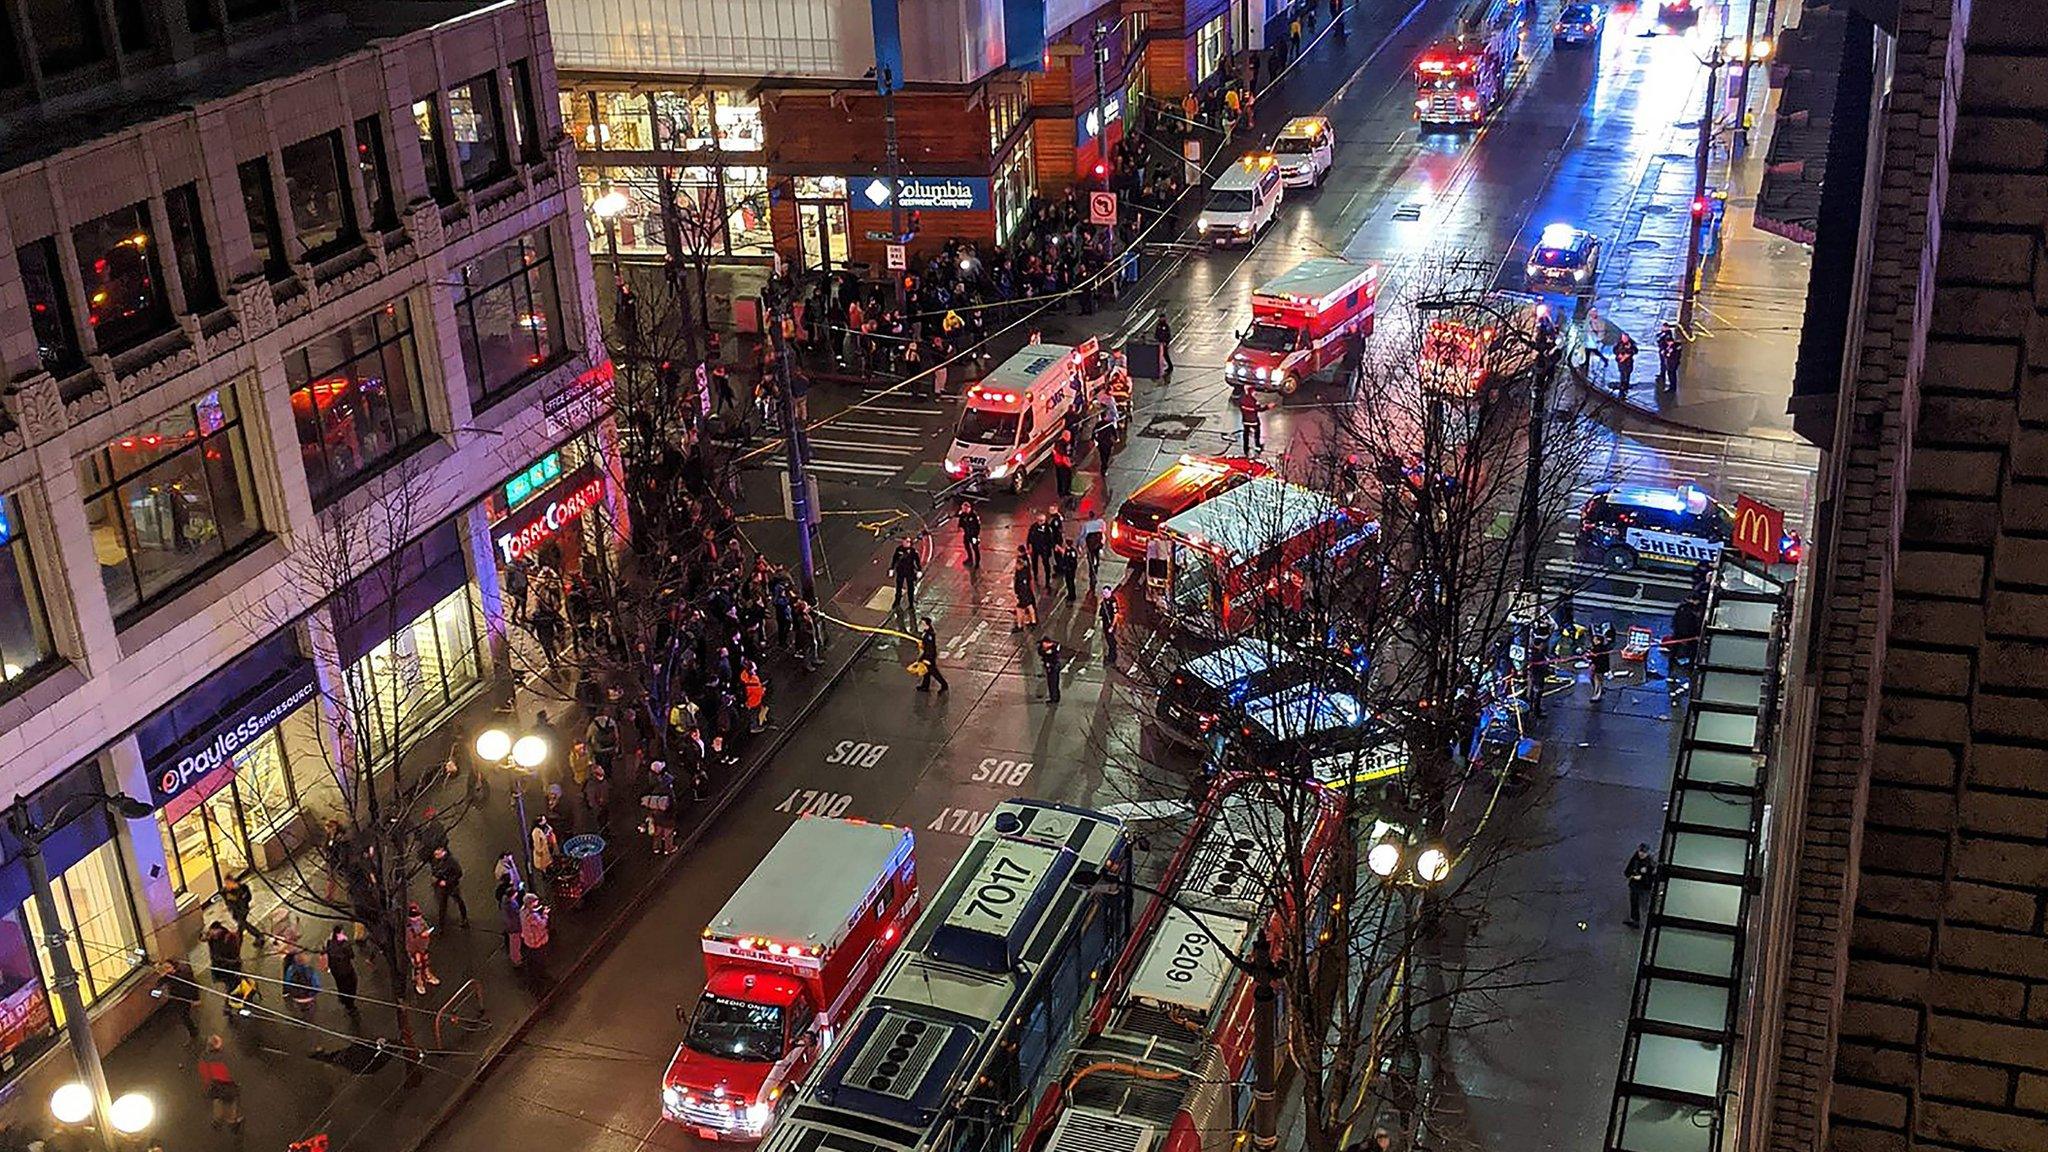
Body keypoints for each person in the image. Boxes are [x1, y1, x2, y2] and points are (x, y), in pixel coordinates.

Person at [197, 1035, 243, 1131]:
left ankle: (217, 1120)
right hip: (228, 1086)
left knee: (218, 1102)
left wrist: (208, 1086)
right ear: (218, 1046)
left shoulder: (204, 1057)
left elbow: (205, 1075)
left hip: (215, 1086)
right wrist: (237, 1083)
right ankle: (232, 1122)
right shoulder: (225, 1057)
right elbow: (232, 1073)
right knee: (231, 1104)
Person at [324, 923, 362, 1028]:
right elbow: (351, 955)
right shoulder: (344, 944)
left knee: (341, 984)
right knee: (351, 984)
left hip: (335, 970)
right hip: (346, 969)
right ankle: (350, 1003)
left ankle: (344, 998)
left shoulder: (329, 942)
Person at [155, 957, 202, 1038]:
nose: (166, 969)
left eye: (168, 967)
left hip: (186, 996)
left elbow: (194, 986)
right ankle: (193, 1031)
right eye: (165, 967)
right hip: (177, 997)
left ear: (173, 967)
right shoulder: (168, 976)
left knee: (184, 1015)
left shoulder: (182, 975)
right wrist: (162, 975)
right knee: (183, 1015)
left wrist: (196, 999)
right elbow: (159, 983)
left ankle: (194, 1032)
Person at [203, 921, 243, 1001]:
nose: (212, 935)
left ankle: (236, 999)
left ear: (219, 929)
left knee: (232, 984)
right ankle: (229, 997)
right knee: (222, 984)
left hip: (229, 965)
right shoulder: (212, 938)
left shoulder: (229, 937)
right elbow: (202, 938)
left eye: (213, 932)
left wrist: (230, 961)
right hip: (218, 965)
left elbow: (234, 952)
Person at [430, 846, 469, 927]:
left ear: (442, 852)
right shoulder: (437, 861)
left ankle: (464, 919)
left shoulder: (451, 861)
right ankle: (441, 924)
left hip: (452, 886)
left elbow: (458, 873)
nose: (435, 856)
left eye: (437, 854)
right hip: (443, 887)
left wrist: (447, 882)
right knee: (442, 905)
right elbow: (435, 871)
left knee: (458, 900)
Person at [405, 903, 438, 994]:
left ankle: (427, 975)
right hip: (414, 949)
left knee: (426, 961)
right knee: (417, 965)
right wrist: (421, 936)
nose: (417, 918)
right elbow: (410, 940)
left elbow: (426, 928)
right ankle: (418, 981)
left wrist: (426, 934)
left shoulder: (422, 922)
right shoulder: (407, 926)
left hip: (423, 946)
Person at [221, 875, 261, 947]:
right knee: (242, 926)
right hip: (235, 911)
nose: (227, 885)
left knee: (242, 925)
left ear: (232, 882)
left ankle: (257, 936)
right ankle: (257, 936)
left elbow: (248, 897)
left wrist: (243, 905)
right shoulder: (225, 892)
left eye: (228, 883)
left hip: (242, 910)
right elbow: (227, 901)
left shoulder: (242, 888)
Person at [282, 949, 321, 1022]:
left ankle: (301, 1017)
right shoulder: (310, 971)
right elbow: (317, 986)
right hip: (309, 997)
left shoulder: (291, 969)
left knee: (299, 1007)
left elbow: (287, 983)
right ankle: (308, 1019)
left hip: (296, 997)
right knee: (310, 1009)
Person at [1625, 844, 1658, 927]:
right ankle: (1636, 921)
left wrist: (1643, 876)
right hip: (1635, 885)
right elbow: (1627, 871)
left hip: (1644, 887)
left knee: (1644, 904)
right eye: (1640, 851)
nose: (1641, 854)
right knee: (1634, 902)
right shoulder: (1635, 858)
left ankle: (1647, 921)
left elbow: (1651, 879)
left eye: (1644, 852)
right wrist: (1632, 876)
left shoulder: (1650, 863)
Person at [520, 892, 552, 977]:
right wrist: (545, 914)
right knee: (540, 957)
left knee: (533, 956)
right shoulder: (532, 916)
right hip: (537, 940)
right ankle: (541, 973)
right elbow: (542, 924)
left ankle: (534, 970)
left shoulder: (522, 911)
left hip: (528, 939)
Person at [917, 617, 951, 694]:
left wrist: (927, 659)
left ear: (927, 625)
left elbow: (930, 648)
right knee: (926, 672)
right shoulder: (926, 632)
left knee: (934, 672)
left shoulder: (930, 635)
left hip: (929, 656)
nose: (921, 625)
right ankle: (925, 686)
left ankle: (944, 685)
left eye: (922, 623)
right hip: (926, 655)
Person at [890, 538, 922, 614]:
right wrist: (891, 568)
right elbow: (894, 559)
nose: (905, 543)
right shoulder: (899, 549)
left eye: (907, 542)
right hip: (900, 571)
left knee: (910, 588)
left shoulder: (913, 551)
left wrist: (919, 570)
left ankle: (911, 604)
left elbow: (917, 561)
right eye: (904, 541)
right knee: (899, 588)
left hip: (909, 572)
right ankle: (897, 602)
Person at [499, 883, 526, 967]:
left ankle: (517, 957)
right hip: (513, 926)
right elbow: (516, 913)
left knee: (514, 943)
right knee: (515, 944)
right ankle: (516, 960)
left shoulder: (505, 901)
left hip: (510, 925)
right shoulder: (511, 904)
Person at [1028, 512, 1057, 587]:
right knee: (1034, 562)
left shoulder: (1048, 528)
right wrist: (1030, 546)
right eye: (1039, 521)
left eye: (1042, 521)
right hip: (1035, 548)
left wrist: (1053, 547)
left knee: (1046, 564)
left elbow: (1051, 539)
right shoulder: (1033, 527)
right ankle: (1035, 575)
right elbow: (1029, 538)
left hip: (1045, 549)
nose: (1041, 522)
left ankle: (1047, 581)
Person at [1588, 622, 1614, 703]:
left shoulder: (1599, 649)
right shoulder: (1600, 648)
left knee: (1598, 679)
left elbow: (1596, 658)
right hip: (1598, 665)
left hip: (1599, 666)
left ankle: (1597, 694)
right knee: (1595, 678)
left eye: (1595, 639)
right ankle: (1598, 691)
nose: (1593, 640)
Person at [1236, 385, 1265, 454]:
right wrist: (1267, 407)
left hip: (1245, 420)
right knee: (1257, 432)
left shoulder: (1243, 399)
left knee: (1246, 433)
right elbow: (1258, 409)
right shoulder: (1253, 401)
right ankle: (1257, 446)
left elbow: (1241, 406)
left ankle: (1245, 448)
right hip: (1254, 421)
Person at [741, 662, 769, 732]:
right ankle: (753, 727)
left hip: (748, 699)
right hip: (754, 701)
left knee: (752, 712)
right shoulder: (754, 680)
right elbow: (758, 692)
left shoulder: (744, 675)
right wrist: (763, 690)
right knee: (754, 713)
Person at [1012, 558, 1039, 631]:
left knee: (1019, 609)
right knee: (1030, 606)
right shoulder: (1025, 571)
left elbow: (1022, 585)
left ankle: (1020, 626)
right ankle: (1033, 622)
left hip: (1023, 593)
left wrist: (1018, 594)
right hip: (1027, 593)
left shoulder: (1021, 574)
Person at [1038, 636, 1064, 703]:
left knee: (1053, 683)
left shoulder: (1054, 649)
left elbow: (1055, 659)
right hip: (1050, 667)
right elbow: (1040, 652)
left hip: (1054, 667)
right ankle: (1054, 697)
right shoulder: (1043, 648)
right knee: (1051, 683)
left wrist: (1050, 664)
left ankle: (1054, 698)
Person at [1082, 513, 1106, 585]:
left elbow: (1083, 535)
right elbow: (1103, 531)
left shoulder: (1087, 525)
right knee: (1096, 554)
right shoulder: (1101, 522)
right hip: (1098, 544)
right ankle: (1096, 565)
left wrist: (1080, 545)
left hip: (1091, 545)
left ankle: (1092, 573)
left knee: (1090, 559)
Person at [1656, 323, 1682, 390]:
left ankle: (1672, 387)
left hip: (1672, 363)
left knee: (1672, 374)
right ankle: (1671, 385)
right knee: (1669, 373)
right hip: (1670, 362)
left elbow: (1674, 354)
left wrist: (1667, 353)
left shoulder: (1674, 347)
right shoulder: (1670, 345)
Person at [1098, 589, 1120, 669]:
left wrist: (1112, 626)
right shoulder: (1105, 600)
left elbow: (1116, 615)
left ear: (1110, 592)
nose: (1104, 594)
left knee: (1111, 641)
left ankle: (1112, 657)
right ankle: (1111, 655)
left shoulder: (1113, 601)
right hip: (1106, 623)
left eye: (1106, 593)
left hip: (1110, 624)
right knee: (1108, 639)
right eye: (1103, 593)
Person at [957, 501, 983, 568]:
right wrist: (960, 527)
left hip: (974, 535)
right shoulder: (963, 514)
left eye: (965, 509)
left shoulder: (973, 515)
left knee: (975, 548)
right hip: (967, 534)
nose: (964, 510)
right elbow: (961, 521)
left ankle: (977, 563)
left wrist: (975, 535)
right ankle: (970, 559)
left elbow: (978, 526)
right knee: (967, 546)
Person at [1052, 432, 1075, 501]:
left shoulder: (1062, 443)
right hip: (1062, 464)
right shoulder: (1062, 444)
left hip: (1059, 464)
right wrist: (1069, 464)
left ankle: (1062, 492)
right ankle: (1064, 492)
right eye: (1068, 436)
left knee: (1061, 478)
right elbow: (1064, 456)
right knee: (1064, 478)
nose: (1069, 437)